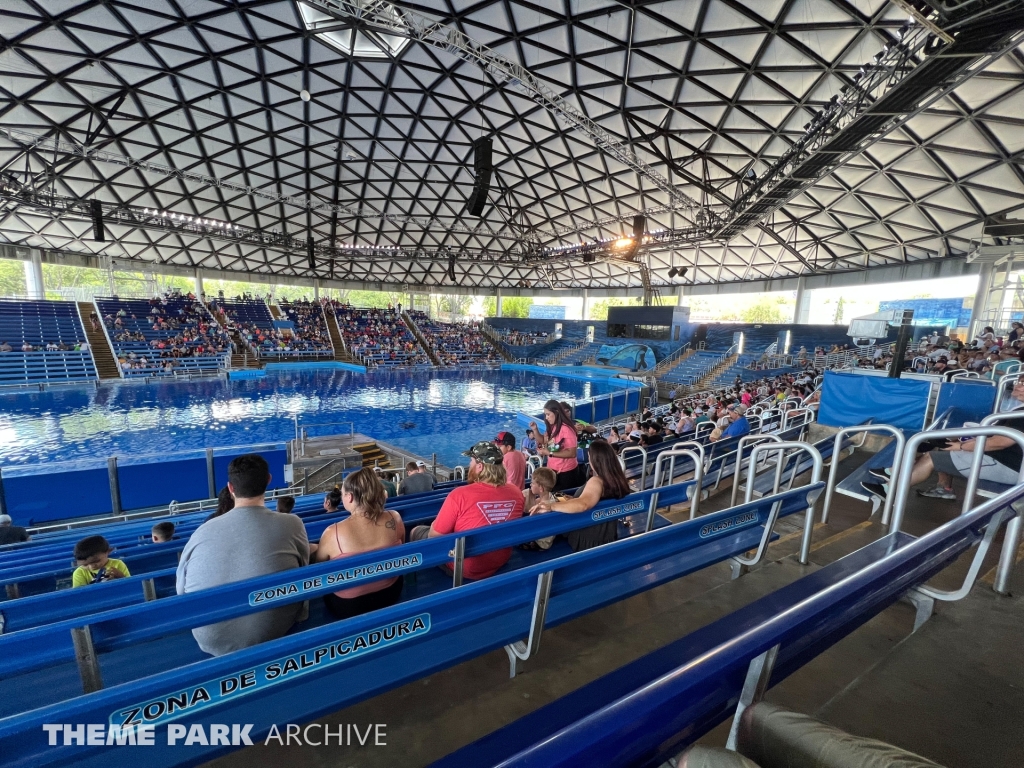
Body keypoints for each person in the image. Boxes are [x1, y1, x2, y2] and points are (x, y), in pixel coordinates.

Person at [176, 454, 309, 656]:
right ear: (269, 480)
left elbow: (181, 590)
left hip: (210, 637)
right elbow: (303, 567)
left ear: (231, 488)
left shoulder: (202, 531)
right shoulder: (291, 523)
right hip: (272, 629)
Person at [408, 442, 524, 580]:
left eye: (471, 461)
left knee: (416, 531)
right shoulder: (516, 493)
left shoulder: (459, 495)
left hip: (465, 566)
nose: (469, 465)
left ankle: (413, 579)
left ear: (480, 467)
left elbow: (435, 536)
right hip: (500, 559)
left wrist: (435, 525)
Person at [314, 468, 405, 620]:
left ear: (349, 497)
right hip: (390, 592)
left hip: (348, 605)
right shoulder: (394, 518)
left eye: (342, 493)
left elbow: (319, 567)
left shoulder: (332, 532)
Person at [529, 440, 631, 552]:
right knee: (557, 497)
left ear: (595, 460)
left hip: (588, 537)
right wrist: (570, 499)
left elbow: (584, 504)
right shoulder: (616, 480)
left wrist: (551, 506)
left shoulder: (597, 481)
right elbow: (590, 500)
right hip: (606, 534)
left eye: (589, 456)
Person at [531, 399, 582, 491]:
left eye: (548, 414)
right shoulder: (553, 426)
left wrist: (549, 453)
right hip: (553, 470)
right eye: (545, 414)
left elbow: (572, 453)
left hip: (566, 473)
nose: (546, 417)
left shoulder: (567, 429)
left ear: (557, 412)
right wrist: (535, 430)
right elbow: (543, 440)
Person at [521, 467, 559, 550]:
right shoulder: (550, 498)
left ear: (541, 488)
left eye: (532, 483)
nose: (530, 484)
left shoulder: (546, 507)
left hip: (540, 543)